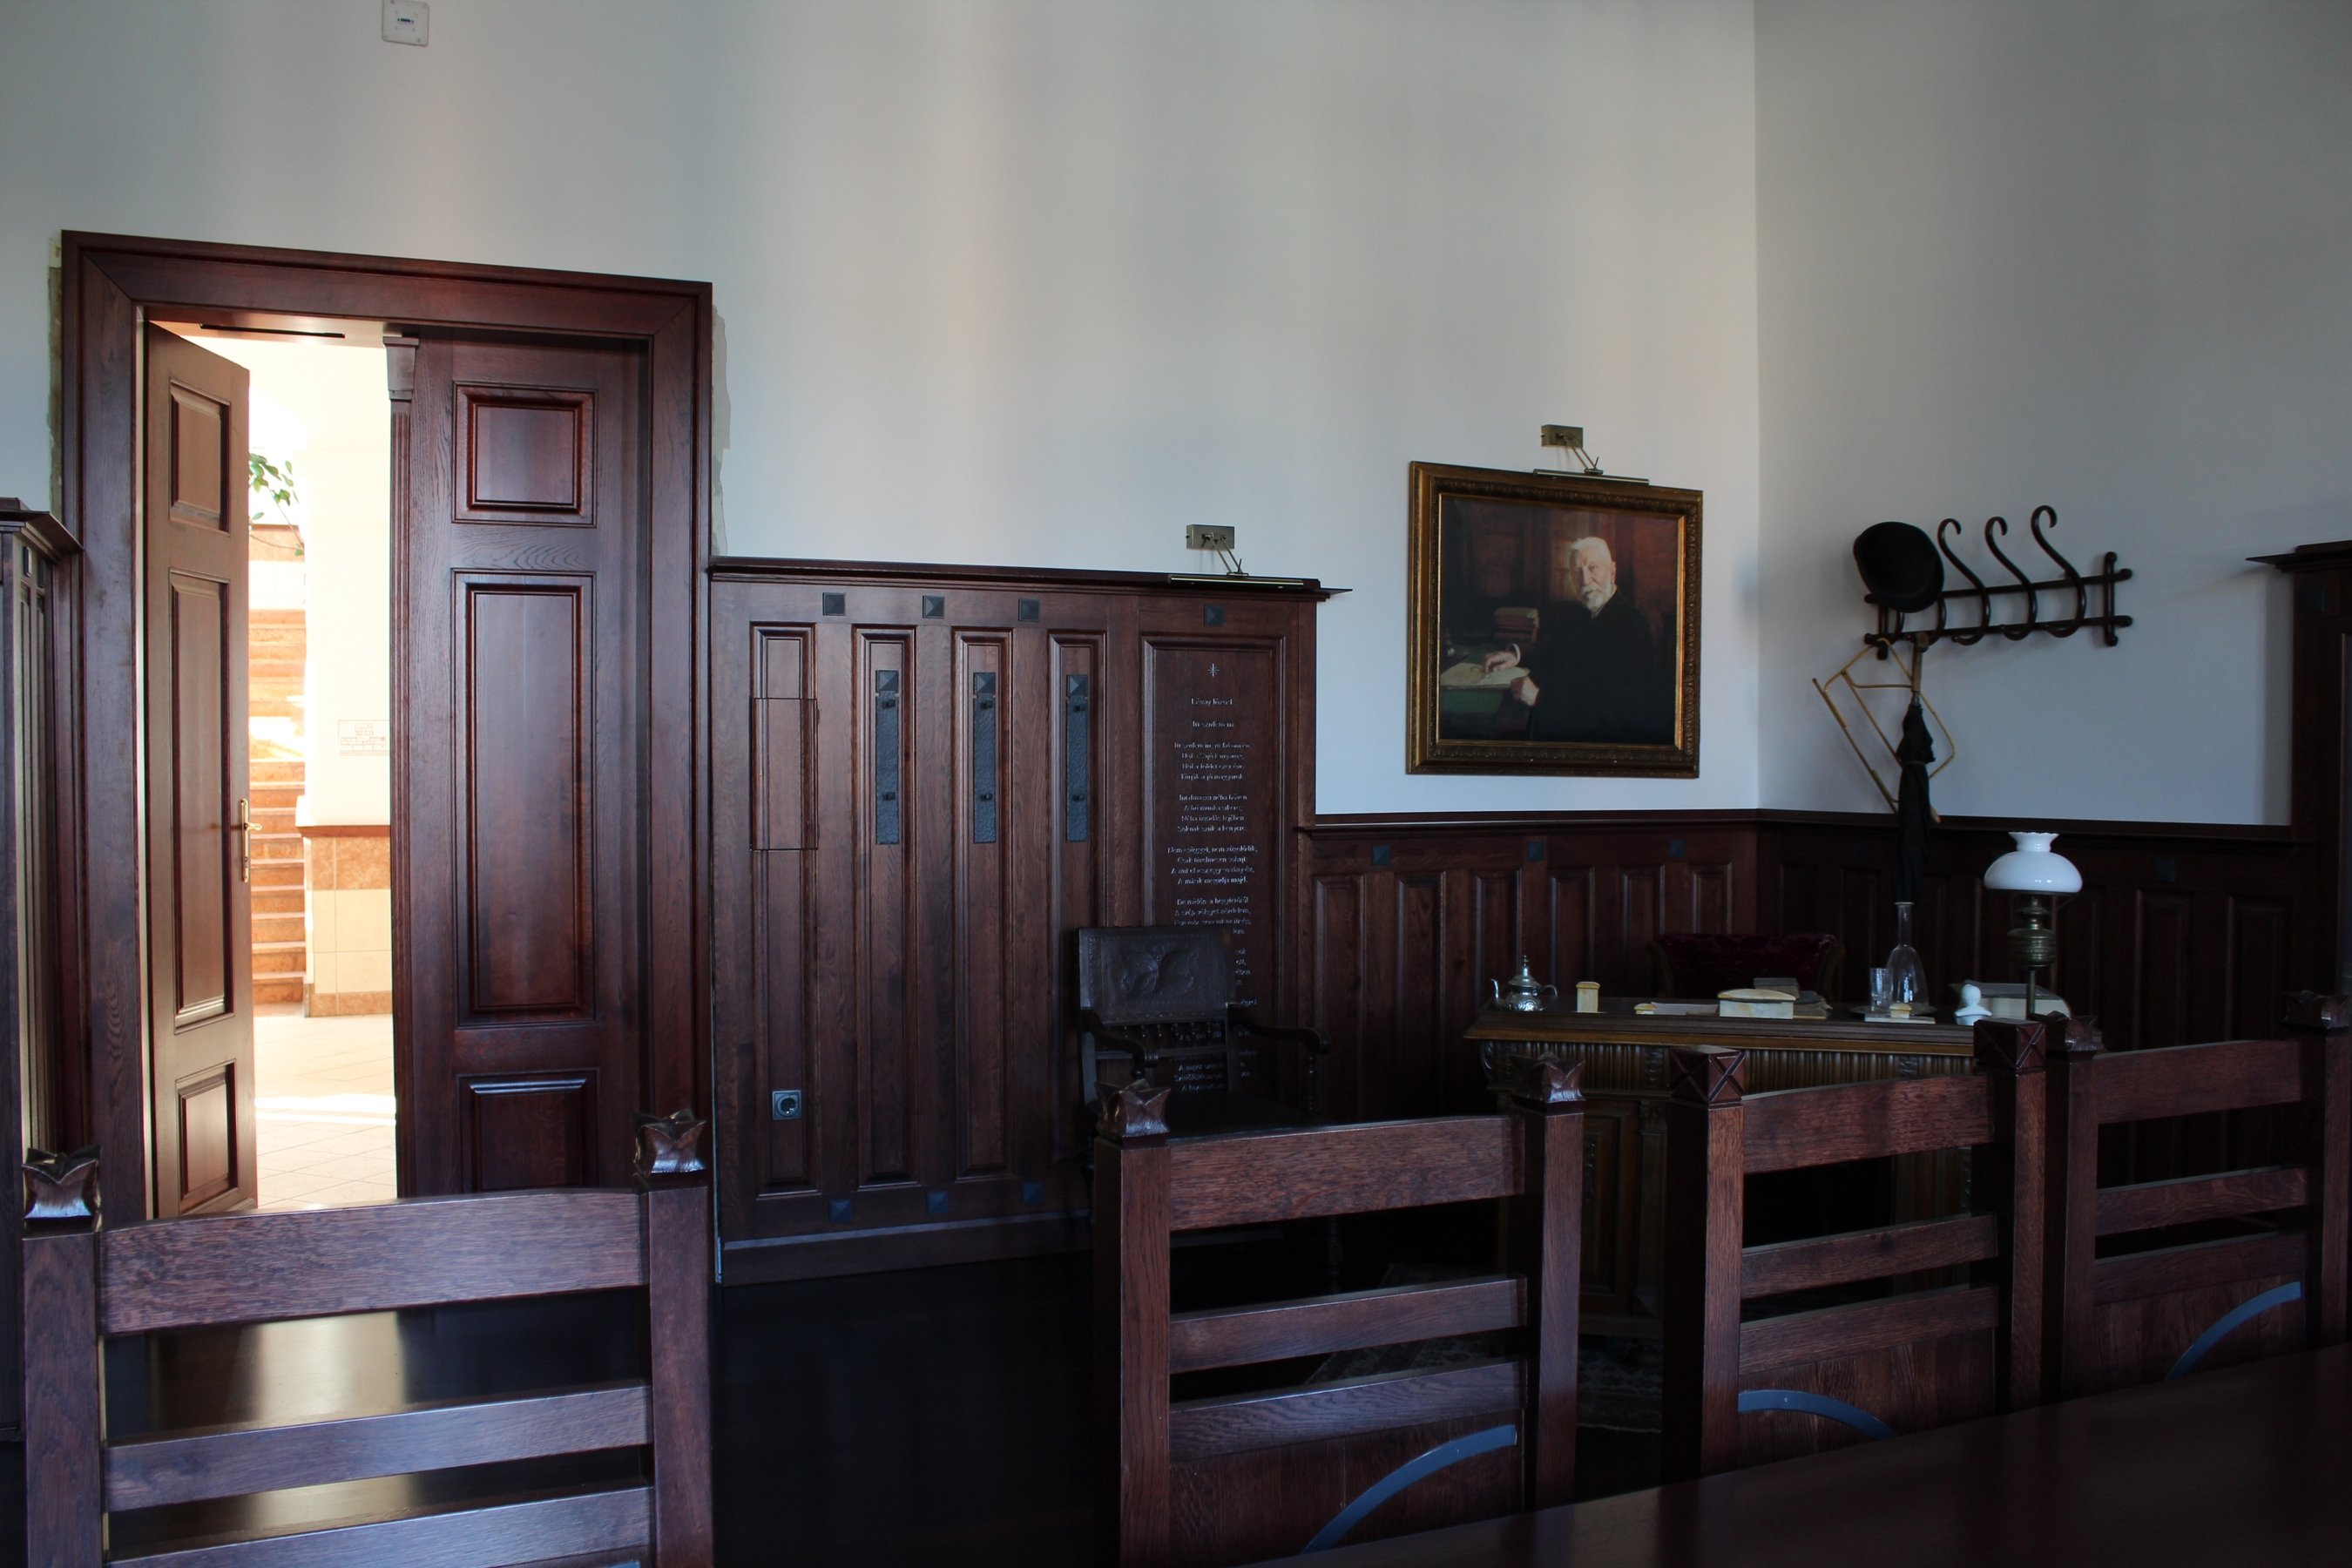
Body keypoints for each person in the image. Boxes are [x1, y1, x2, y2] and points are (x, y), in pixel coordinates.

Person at [1484, 537, 1673, 744]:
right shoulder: (1584, 611)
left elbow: (1614, 712)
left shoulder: (1634, 626)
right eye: (1577, 572)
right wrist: (1516, 654)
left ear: (1612, 571)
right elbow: (1555, 650)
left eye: (1593, 568)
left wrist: (1539, 699)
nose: (1584, 580)